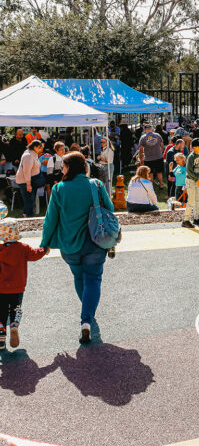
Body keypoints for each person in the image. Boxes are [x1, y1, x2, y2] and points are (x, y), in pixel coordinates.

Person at [40, 152, 114, 343]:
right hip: (95, 242)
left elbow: (51, 220)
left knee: (78, 276)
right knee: (93, 279)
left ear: (69, 168)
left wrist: (45, 243)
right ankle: (86, 319)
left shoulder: (58, 189)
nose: (61, 169)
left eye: (63, 166)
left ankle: (87, 313)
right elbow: (110, 209)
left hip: (69, 244)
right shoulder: (96, 185)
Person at [0, 218, 48, 350]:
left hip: (1, 288)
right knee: (16, 307)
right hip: (18, 286)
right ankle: (14, 325)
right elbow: (35, 255)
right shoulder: (23, 248)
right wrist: (44, 249)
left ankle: (1, 339)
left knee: (1, 312)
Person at [182, 138, 199, 228]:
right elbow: (189, 171)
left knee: (197, 200)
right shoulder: (191, 156)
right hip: (191, 181)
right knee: (191, 200)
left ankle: (196, 218)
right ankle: (185, 220)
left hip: (197, 180)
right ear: (194, 147)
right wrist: (196, 179)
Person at [15, 140, 45, 218]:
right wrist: (28, 184)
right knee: (29, 201)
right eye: (39, 148)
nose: (40, 150)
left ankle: (27, 216)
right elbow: (26, 171)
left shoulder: (33, 153)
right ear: (34, 147)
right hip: (25, 181)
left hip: (31, 180)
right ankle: (28, 218)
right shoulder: (28, 155)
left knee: (30, 201)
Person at [138, 124, 165, 189]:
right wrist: (161, 152)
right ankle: (161, 184)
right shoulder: (158, 135)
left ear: (145, 130)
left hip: (148, 158)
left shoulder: (143, 137)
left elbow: (141, 149)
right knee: (159, 172)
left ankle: (151, 187)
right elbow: (162, 145)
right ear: (151, 129)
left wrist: (141, 158)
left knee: (150, 173)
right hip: (158, 157)